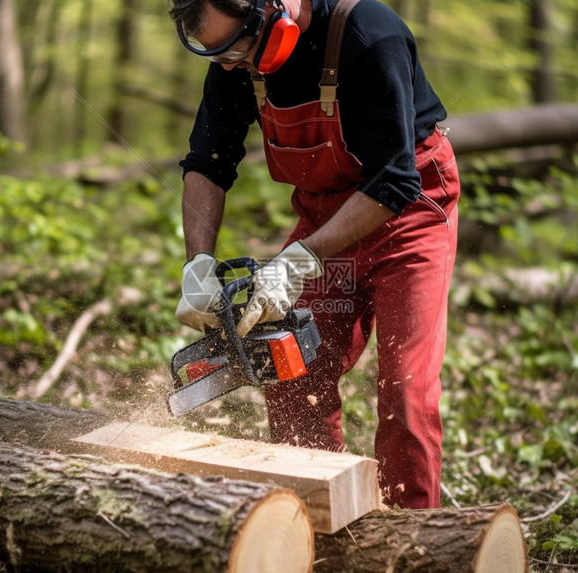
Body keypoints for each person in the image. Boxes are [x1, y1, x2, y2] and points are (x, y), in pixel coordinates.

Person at [170, 0, 460, 509]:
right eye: (213, 53)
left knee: (406, 392)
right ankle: (321, 516)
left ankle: (416, 538)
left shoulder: (369, 37)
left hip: (410, 217)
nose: (228, 64)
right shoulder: (233, 62)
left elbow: (395, 182)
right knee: (290, 368)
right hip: (324, 219)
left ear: (271, 11)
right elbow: (209, 161)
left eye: (234, 47)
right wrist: (198, 263)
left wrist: (299, 261)